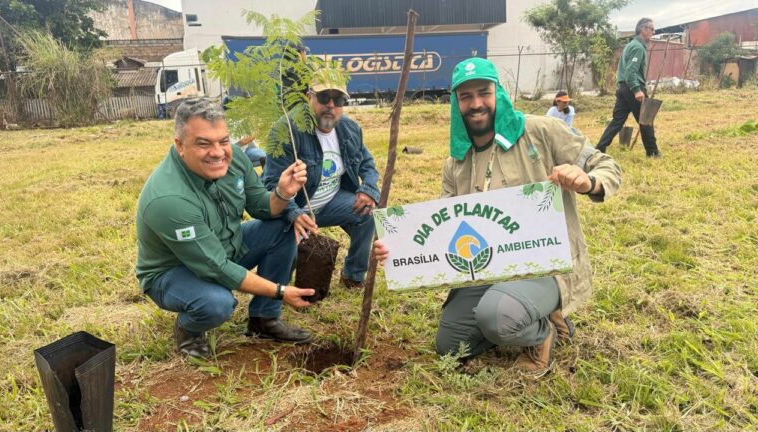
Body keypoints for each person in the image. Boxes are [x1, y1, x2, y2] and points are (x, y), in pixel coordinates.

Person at [374, 58, 622, 378]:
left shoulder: (540, 131)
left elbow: (606, 165)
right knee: (451, 344)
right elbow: (441, 226)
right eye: (466, 97)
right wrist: (398, 248)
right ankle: (521, 313)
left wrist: (589, 181)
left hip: (548, 264)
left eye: (484, 93)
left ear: (499, 94)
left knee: (498, 316)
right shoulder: (456, 162)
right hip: (489, 266)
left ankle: (541, 331)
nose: (476, 103)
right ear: (456, 103)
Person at [136, 98, 317, 359]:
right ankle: (189, 329)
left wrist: (282, 193)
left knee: (283, 225)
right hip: (173, 271)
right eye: (203, 143)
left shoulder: (234, 160)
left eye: (223, 140)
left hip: (224, 245)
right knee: (217, 303)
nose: (219, 152)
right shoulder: (169, 199)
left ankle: (263, 320)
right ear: (180, 145)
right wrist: (280, 291)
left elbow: (261, 207)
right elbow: (216, 267)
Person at [263, 70, 380, 289]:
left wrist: (369, 189)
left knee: (367, 212)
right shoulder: (286, 129)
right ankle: (277, 288)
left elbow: (367, 163)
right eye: (324, 97)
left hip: (331, 202)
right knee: (283, 265)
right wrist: (293, 213)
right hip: (294, 208)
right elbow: (270, 184)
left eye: (338, 100)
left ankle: (353, 276)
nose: (331, 105)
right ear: (309, 97)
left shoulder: (350, 128)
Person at [596, 18, 662, 158]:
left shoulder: (630, 45)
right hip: (632, 88)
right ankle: (653, 152)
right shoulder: (638, 47)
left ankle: (600, 148)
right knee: (646, 119)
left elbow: (625, 70)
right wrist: (637, 90)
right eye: (651, 28)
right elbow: (631, 71)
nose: (653, 31)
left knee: (618, 120)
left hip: (623, 88)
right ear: (642, 29)